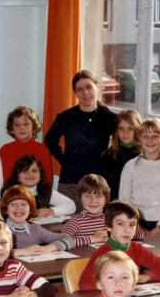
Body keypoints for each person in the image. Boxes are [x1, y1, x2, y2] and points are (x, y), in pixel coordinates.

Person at [44, 70, 117, 203]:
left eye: (89, 87)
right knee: (68, 215)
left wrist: (109, 162)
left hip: (99, 183)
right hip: (70, 181)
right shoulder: (66, 117)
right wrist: (64, 160)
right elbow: (50, 140)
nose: (85, 93)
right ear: (75, 93)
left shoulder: (109, 118)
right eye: (80, 89)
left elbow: (123, 141)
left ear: (97, 87)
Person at [78, 201, 160, 290]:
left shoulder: (138, 249)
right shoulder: (102, 253)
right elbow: (85, 283)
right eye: (120, 224)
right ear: (109, 226)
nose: (127, 230)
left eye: (132, 225)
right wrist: (118, 282)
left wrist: (147, 276)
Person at [118, 117, 160, 235]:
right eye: (145, 136)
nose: (150, 140)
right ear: (139, 139)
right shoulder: (130, 166)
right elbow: (124, 200)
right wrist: (134, 226)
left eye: (155, 136)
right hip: (135, 224)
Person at [0, 185, 75, 257]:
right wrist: (22, 252)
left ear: (30, 209)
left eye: (23, 204)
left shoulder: (35, 230)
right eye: (13, 204)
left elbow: (69, 239)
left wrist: (48, 248)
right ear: (5, 209)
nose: (18, 208)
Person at [1, 154, 75, 217]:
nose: (30, 174)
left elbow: (71, 205)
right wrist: (34, 212)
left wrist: (51, 211)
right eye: (25, 171)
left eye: (34, 171)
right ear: (17, 176)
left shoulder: (45, 190)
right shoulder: (11, 191)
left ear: (40, 175)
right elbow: (4, 212)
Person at [0, 106, 52, 183]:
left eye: (26, 124)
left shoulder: (42, 149)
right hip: (12, 189)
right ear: (12, 129)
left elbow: (47, 179)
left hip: (35, 189)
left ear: (33, 127)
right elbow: (3, 178)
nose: (22, 128)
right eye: (17, 124)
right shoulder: (5, 150)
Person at [99, 108, 141, 198]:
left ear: (137, 130)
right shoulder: (109, 154)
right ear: (116, 131)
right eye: (121, 129)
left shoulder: (142, 155)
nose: (125, 133)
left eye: (130, 128)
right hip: (114, 201)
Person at [61, 174, 111, 247]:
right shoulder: (76, 221)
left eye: (98, 196)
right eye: (87, 196)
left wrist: (110, 236)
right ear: (80, 198)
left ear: (106, 199)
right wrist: (92, 239)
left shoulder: (111, 220)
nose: (93, 201)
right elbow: (62, 241)